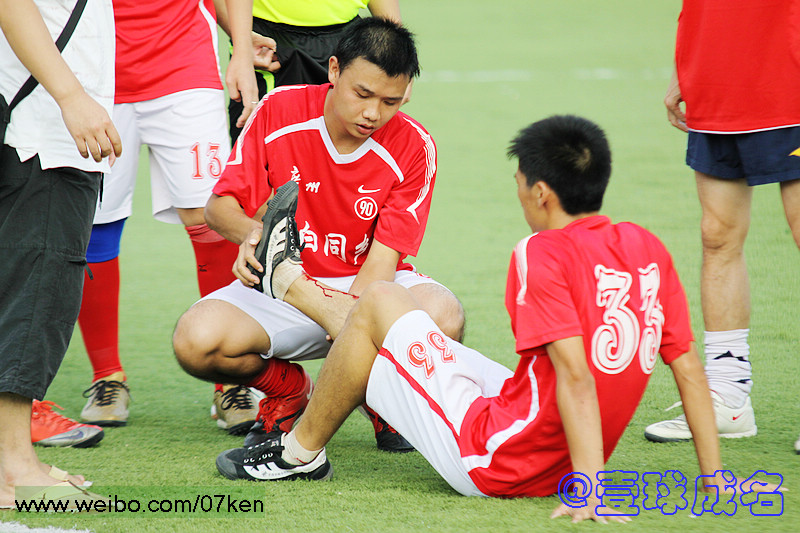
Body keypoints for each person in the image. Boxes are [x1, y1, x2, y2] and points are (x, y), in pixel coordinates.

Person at [213, 115, 747, 523]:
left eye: (519, 182)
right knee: (416, 328)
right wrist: (715, 477)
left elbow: (577, 377)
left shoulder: (540, 252)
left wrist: (590, 487)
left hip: (500, 461)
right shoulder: (647, 246)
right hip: (559, 445)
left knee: (377, 300)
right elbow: (688, 369)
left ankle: (298, 452)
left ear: (540, 192)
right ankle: (337, 354)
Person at [172, 17, 464, 453]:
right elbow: (219, 207)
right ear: (333, 70)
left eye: (390, 101)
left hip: (368, 285)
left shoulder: (414, 145)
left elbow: (382, 262)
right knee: (196, 340)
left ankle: (379, 398)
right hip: (283, 283)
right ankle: (290, 391)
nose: (373, 113)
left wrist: (349, 323)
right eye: (362, 94)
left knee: (444, 315)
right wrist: (256, 235)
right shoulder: (278, 109)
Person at [73, 0, 265, 434]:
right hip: (92, 73)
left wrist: (239, 46)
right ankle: (107, 377)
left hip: (185, 67)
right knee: (95, 223)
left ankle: (230, 382)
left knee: (213, 219)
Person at [644, 0, 800, 448]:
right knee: (717, 235)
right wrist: (687, 64)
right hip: (716, 78)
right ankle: (728, 397)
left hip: (789, 76)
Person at [0, 0, 121, 508]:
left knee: (23, 289)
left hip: (37, 125)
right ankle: (12, 465)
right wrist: (72, 96)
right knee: (34, 294)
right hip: (43, 134)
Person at [225, 0, 403, 142]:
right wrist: (242, 47)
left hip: (347, 37)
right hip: (269, 43)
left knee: (342, 159)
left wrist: (398, 47)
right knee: (261, 156)